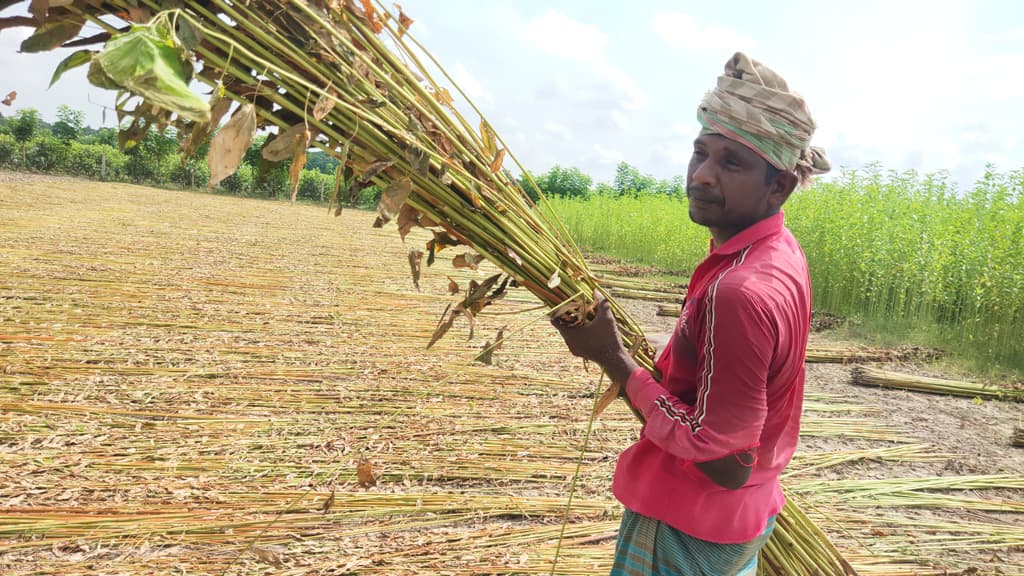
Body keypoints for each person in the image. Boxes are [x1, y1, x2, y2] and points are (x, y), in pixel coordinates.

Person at [552, 52, 831, 576]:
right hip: (736, 519)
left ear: (780, 186)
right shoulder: (778, 251)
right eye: (699, 153)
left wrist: (612, 358)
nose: (701, 176)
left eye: (731, 163)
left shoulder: (740, 291)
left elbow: (723, 460)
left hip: (690, 530)